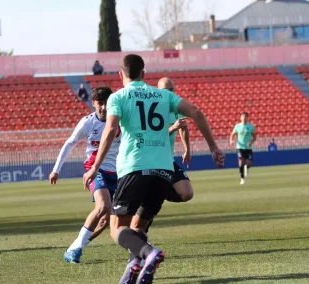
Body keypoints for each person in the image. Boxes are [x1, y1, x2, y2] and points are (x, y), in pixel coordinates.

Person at [82, 54, 224, 284]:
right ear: (144, 74)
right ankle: (134, 271)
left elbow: (110, 130)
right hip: (163, 171)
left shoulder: (118, 97)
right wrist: (213, 147)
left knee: (117, 228)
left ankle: (149, 253)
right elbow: (197, 113)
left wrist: (94, 166)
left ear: (120, 75)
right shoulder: (163, 94)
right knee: (139, 225)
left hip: (134, 167)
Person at [119, 77, 194, 283]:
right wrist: (172, 128)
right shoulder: (155, 104)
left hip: (166, 161)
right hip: (150, 159)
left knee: (186, 192)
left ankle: (139, 258)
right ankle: (136, 262)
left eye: (173, 88)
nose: (170, 92)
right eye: (167, 89)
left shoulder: (175, 106)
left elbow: (184, 128)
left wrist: (187, 149)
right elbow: (153, 133)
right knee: (133, 226)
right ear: (158, 90)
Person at [49, 86, 120, 263]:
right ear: (94, 103)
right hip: (95, 169)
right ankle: (76, 250)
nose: (104, 108)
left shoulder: (121, 120)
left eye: (107, 104)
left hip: (118, 173)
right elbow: (70, 143)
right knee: (103, 206)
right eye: (100, 104)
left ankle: (74, 247)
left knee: (104, 222)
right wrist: (56, 169)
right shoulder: (88, 122)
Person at [229, 112, 256, 185]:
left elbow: (254, 137)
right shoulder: (237, 126)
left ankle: (247, 168)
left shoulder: (250, 126)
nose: (244, 118)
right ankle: (242, 178)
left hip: (248, 147)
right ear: (240, 118)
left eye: (245, 117)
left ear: (247, 118)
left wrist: (251, 142)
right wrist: (231, 140)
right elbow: (232, 134)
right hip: (240, 147)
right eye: (243, 117)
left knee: (249, 163)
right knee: (240, 161)